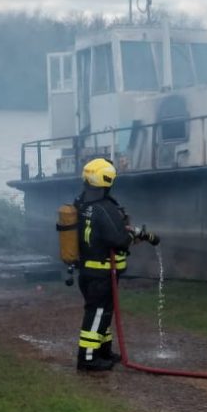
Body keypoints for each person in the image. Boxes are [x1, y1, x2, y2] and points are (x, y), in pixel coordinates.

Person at [74, 157, 160, 372]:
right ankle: (88, 358)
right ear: (107, 181)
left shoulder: (82, 203)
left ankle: (104, 351)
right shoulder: (104, 208)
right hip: (101, 273)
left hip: (88, 271)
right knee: (97, 314)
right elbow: (119, 241)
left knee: (103, 313)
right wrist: (134, 237)